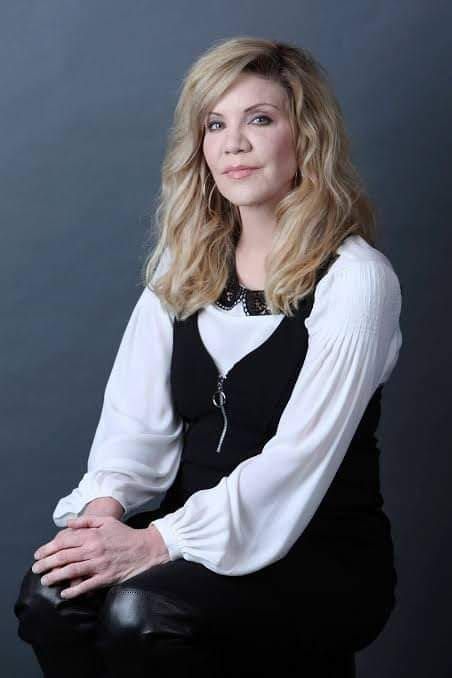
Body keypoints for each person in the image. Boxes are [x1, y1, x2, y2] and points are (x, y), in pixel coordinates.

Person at [14, 36, 403, 677]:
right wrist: (101, 522)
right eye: (214, 124)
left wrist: (157, 542)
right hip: (184, 537)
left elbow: (296, 462)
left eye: (260, 119)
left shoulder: (356, 279)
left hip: (317, 551)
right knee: (51, 598)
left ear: (305, 137)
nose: (233, 144)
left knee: (142, 614)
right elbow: (131, 434)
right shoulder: (182, 269)